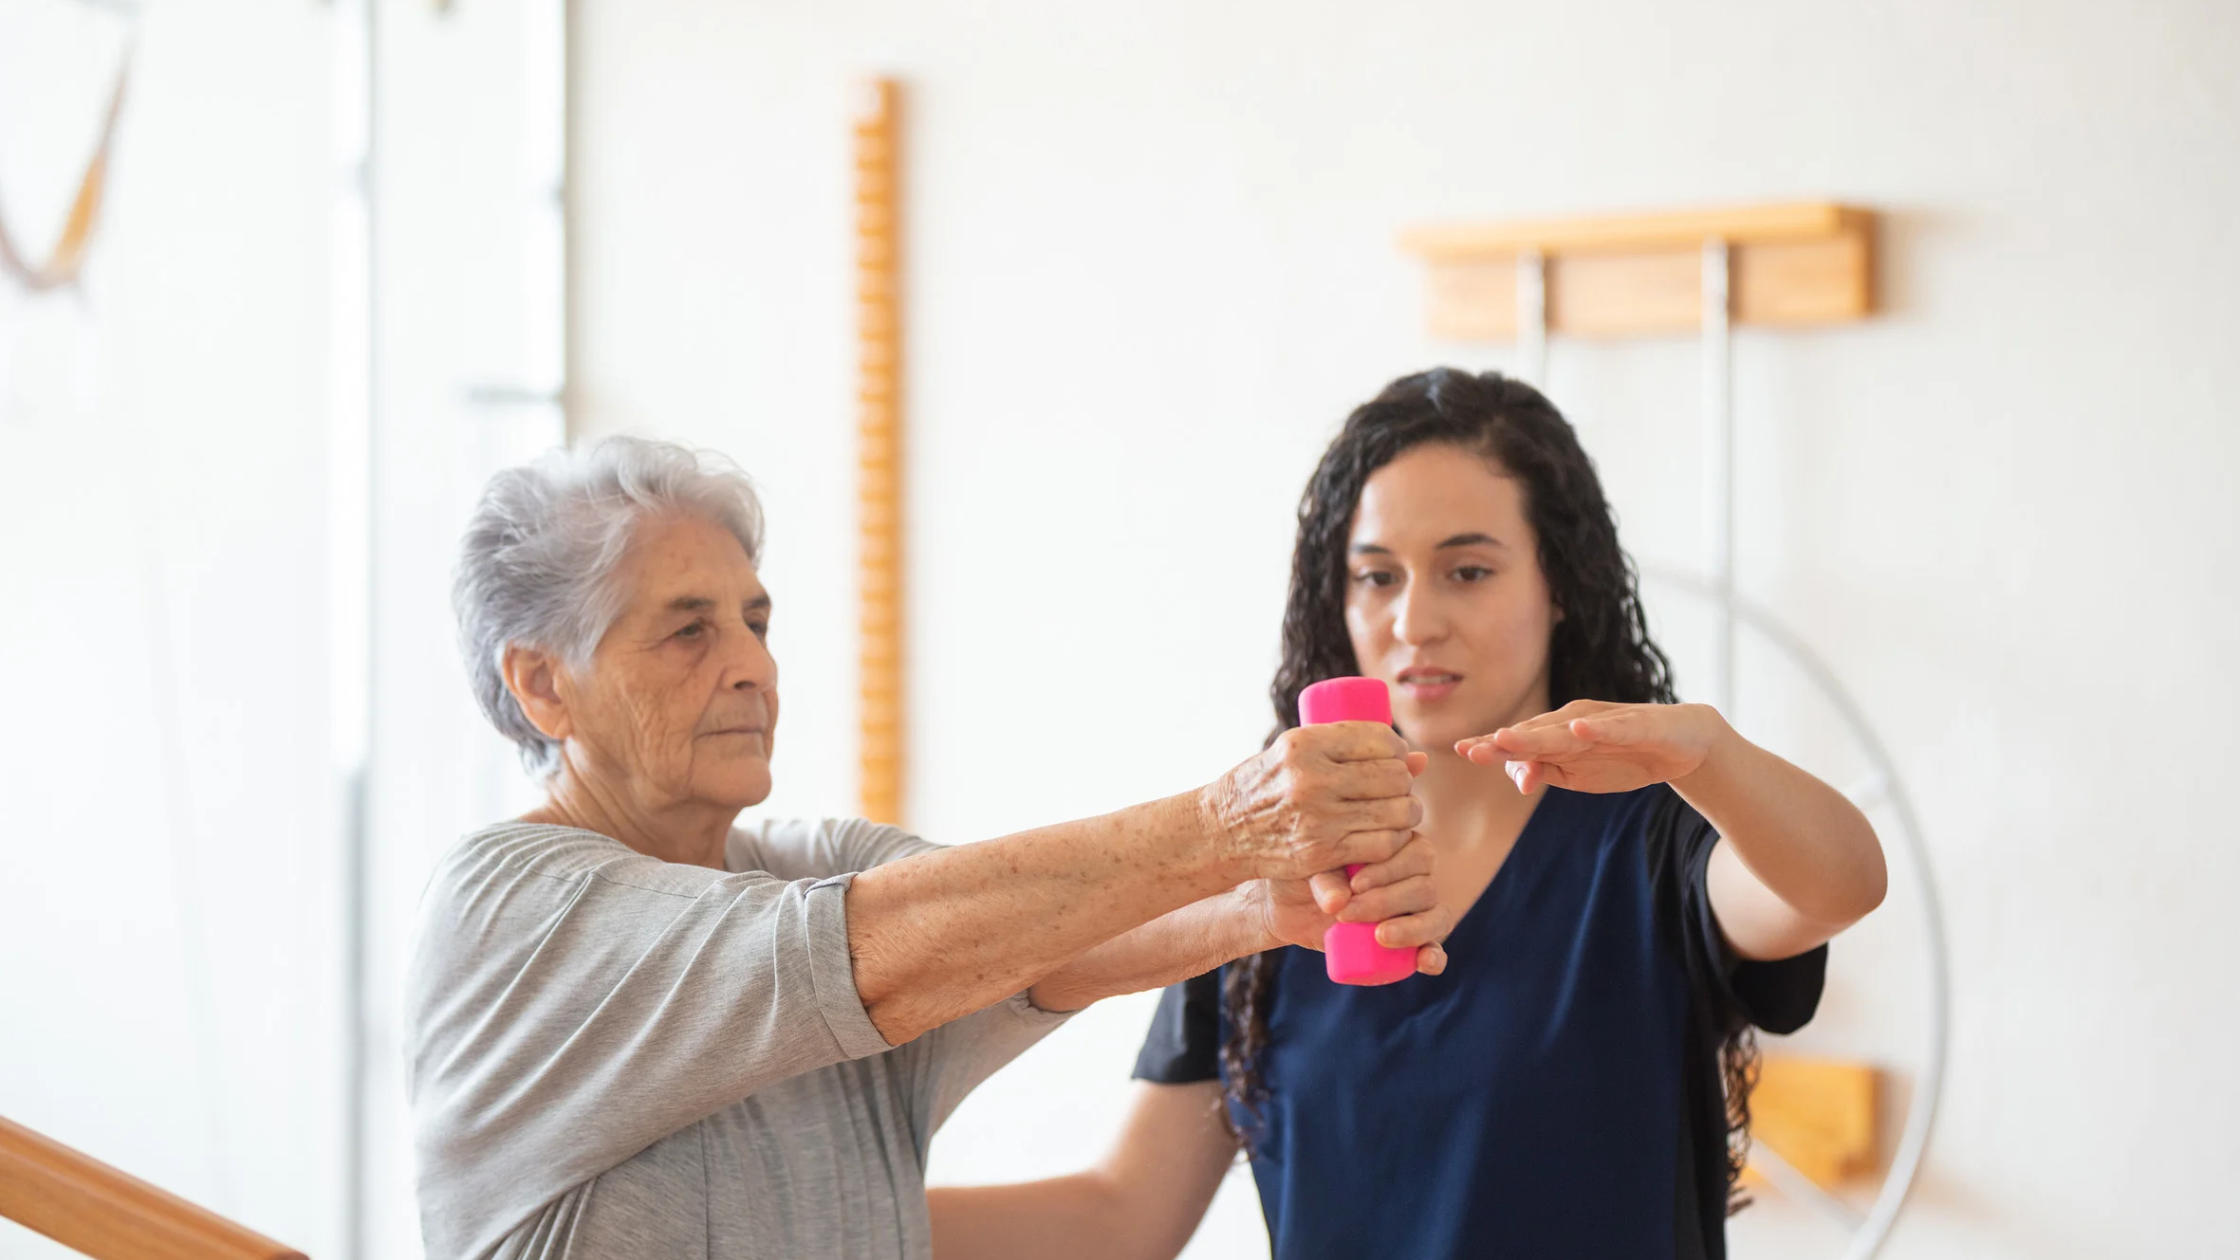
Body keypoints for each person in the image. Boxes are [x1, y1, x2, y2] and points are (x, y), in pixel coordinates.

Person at [404, 436, 1459, 1260]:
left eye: (756, 622)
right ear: (544, 685)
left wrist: (1254, 910)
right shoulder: (507, 909)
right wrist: (1226, 825)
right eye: (689, 631)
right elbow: (865, 949)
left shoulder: (807, 864)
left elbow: (1024, 942)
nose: (751, 670)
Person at [927, 369, 1890, 1260]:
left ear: (1561, 587)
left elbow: (1837, 884)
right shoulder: (1272, 879)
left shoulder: (1651, 843)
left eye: (1467, 571)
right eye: (1378, 576)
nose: (1413, 620)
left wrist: (1711, 753)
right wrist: (814, 1214)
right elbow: (1120, 1217)